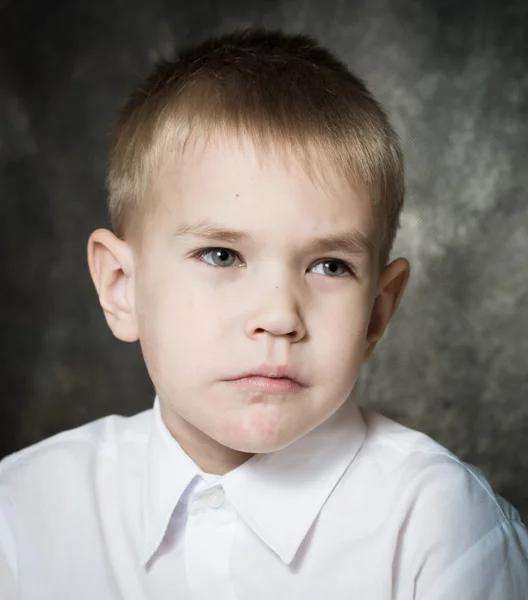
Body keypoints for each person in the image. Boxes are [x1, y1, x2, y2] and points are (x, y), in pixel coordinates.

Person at [0, 28, 527, 600]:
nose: (279, 317)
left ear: (378, 312)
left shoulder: (443, 528)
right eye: (222, 255)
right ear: (121, 286)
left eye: (329, 266)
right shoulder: (22, 513)